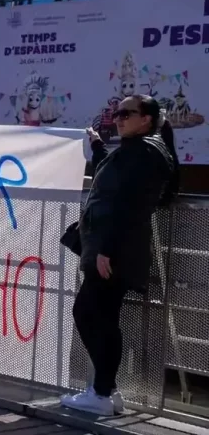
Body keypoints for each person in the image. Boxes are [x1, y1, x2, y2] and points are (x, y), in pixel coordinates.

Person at [60, 94, 178, 416]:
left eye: (126, 114)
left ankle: (102, 392)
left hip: (114, 252)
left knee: (89, 314)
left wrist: (107, 250)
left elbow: (130, 205)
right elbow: (113, 180)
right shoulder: (139, 150)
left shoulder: (145, 152)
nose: (118, 119)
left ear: (146, 119)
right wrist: (98, 146)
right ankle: (106, 392)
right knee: (101, 317)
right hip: (114, 250)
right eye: (116, 113)